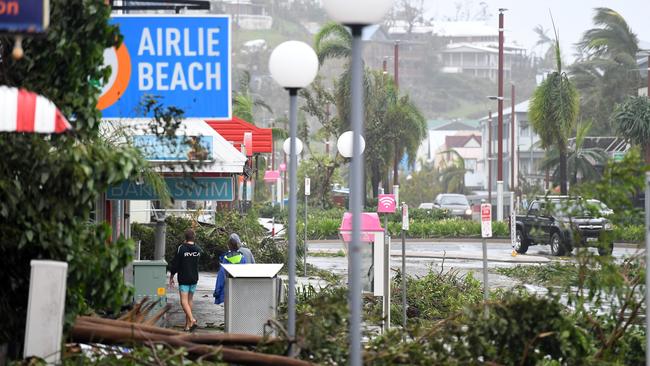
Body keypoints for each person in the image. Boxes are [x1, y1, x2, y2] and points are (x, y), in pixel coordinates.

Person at [168, 229, 201, 332]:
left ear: (185, 238)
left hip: (184, 278)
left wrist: (172, 275)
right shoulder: (198, 249)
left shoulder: (181, 248)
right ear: (194, 237)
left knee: (183, 302)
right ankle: (187, 326)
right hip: (194, 278)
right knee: (189, 301)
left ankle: (192, 319)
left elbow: (176, 264)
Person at [213, 234, 247, 305]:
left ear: (229, 246)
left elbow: (221, 275)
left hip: (228, 289)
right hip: (239, 289)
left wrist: (217, 291)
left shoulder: (226, 259)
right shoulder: (243, 258)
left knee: (229, 311)